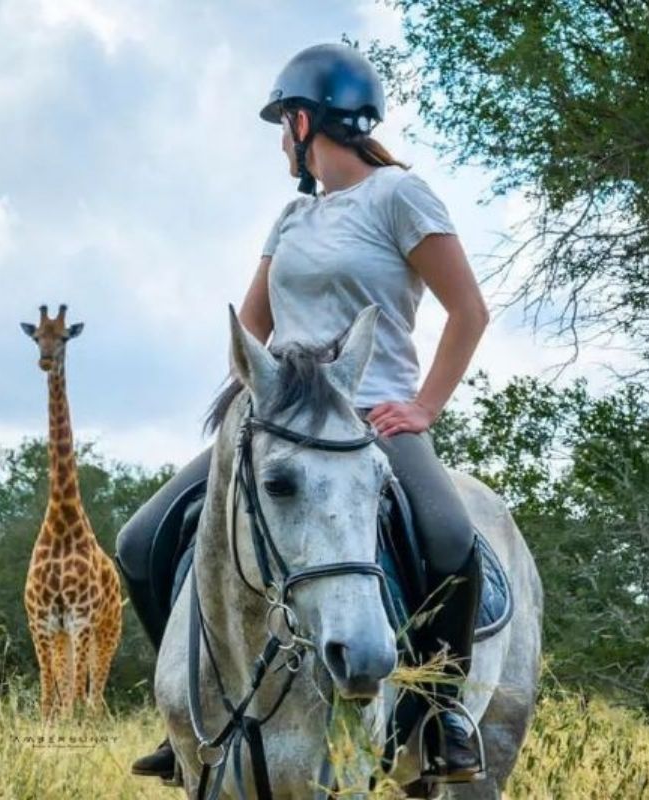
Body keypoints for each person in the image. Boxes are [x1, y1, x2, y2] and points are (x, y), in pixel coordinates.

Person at [114, 43, 491, 784]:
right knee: (140, 539)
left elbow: (468, 311)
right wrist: (261, 395)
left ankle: (441, 712)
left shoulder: (399, 197)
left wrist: (422, 405)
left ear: (303, 119)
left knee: (450, 535)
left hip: (367, 417)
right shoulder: (291, 218)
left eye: (282, 124)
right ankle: (189, 713)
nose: (280, 140)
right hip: (280, 418)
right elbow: (249, 330)